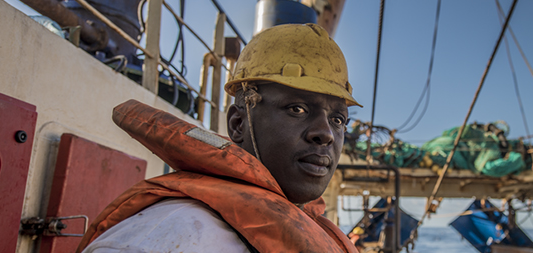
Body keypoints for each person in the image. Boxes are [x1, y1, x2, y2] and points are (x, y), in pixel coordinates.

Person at [76, 23, 362, 253]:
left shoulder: (307, 224)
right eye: (296, 109)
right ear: (238, 123)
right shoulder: (167, 237)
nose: (325, 133)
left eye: (338, 120)